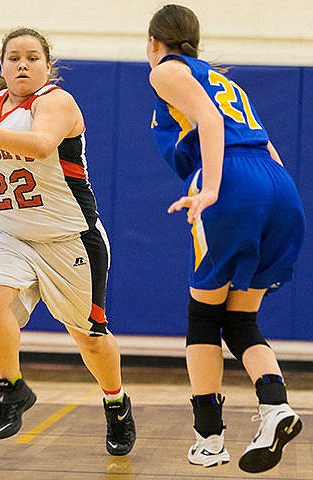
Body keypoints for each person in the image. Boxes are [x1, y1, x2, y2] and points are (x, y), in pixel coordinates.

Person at [0, 27, 136, 455]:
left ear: (47, 65)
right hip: (8, 234)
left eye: (32, 57)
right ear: (2, 65)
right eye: (14, 58)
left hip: (69, 239)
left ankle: (116, 402)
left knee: (88, 338)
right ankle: (13, 389)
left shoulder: (56, 102)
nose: (22, 64)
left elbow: (42, 145)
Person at [146, 4, 304, 473]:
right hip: (278, 185)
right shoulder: (223, 79)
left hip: (231, 182)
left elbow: (211, 124)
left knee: (202, 316)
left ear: (153, 42)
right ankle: (275, 407)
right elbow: (266, 143)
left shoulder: (166, 71)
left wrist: (212, 188)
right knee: (240, 320)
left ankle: (210, 439)